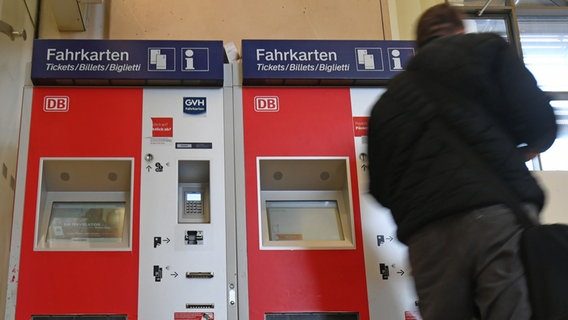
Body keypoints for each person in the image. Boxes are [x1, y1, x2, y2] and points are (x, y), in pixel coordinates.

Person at [367, 3, 557, 320]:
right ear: (459, 30)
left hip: (428, 239)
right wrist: (526, 149)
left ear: (418, 45)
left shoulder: (387, 103)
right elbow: (539, 121)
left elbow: (380, 188)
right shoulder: (489, 50)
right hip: (496, 216)